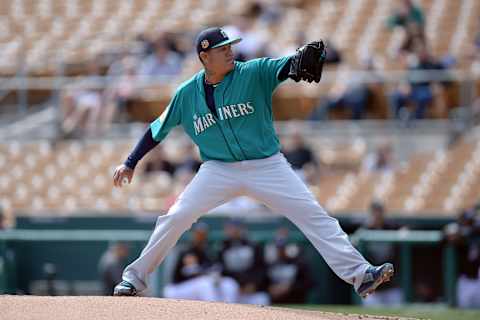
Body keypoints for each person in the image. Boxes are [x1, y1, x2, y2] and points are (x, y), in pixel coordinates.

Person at [112, 27, 393, 298]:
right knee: (176, 216)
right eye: (222, 49)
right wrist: (130, 161)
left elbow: (285, 66)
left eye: (230, 46)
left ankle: (361, 274)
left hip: (267, 166)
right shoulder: (186, 94)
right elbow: (156, 128)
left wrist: (297, 60)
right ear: (204, 57)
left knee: (313, 215)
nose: (230, 52)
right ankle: (133, 278)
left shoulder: (253, 72)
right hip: (217, 170)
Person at [163, 222, 239, 302]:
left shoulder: (208, 252)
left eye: (203, 234)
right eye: (198, 233)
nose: (201, 236)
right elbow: (191, 273)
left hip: (197, 286)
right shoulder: (187, 252)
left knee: (229, 283)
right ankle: (213, 309)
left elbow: (215, 270)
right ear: (193, 234)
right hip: (177, 288)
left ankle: (229, 310)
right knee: (204, 284)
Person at [356, 202, 404, 306]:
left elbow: (405, 229)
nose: (377, 215)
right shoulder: (365, 228)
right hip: (372, 288)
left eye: (379, 211)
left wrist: (403, 232)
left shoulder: (391, 226)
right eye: (374, 212)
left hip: (392, 285)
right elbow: (355, 240)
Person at [217, 219, 269, 305]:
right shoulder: (223, 247)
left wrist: (253, 284)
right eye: (229, 228)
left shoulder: (253, 245)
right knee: (228, 285)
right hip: (232, 288)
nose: (232, 231)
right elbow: (222, 269)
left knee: (262, 299)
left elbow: (261, 268)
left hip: (250, 289)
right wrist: (238, 285)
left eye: (234, 228)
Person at [444, 205, 480, 308]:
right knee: (464, 307)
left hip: (478, 278)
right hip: (465, 279)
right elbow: (444, 238)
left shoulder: (476, 229)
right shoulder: (458, 231)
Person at [264, 227, 312, 304]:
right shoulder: (270, 261)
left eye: (283, 248)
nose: (280, 251)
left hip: (295, 298)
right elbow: (262, 279)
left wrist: (289, 287)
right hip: (273, 298)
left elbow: (309, 282)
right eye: (278, 248)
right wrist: (270, 287)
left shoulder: (299, 261)